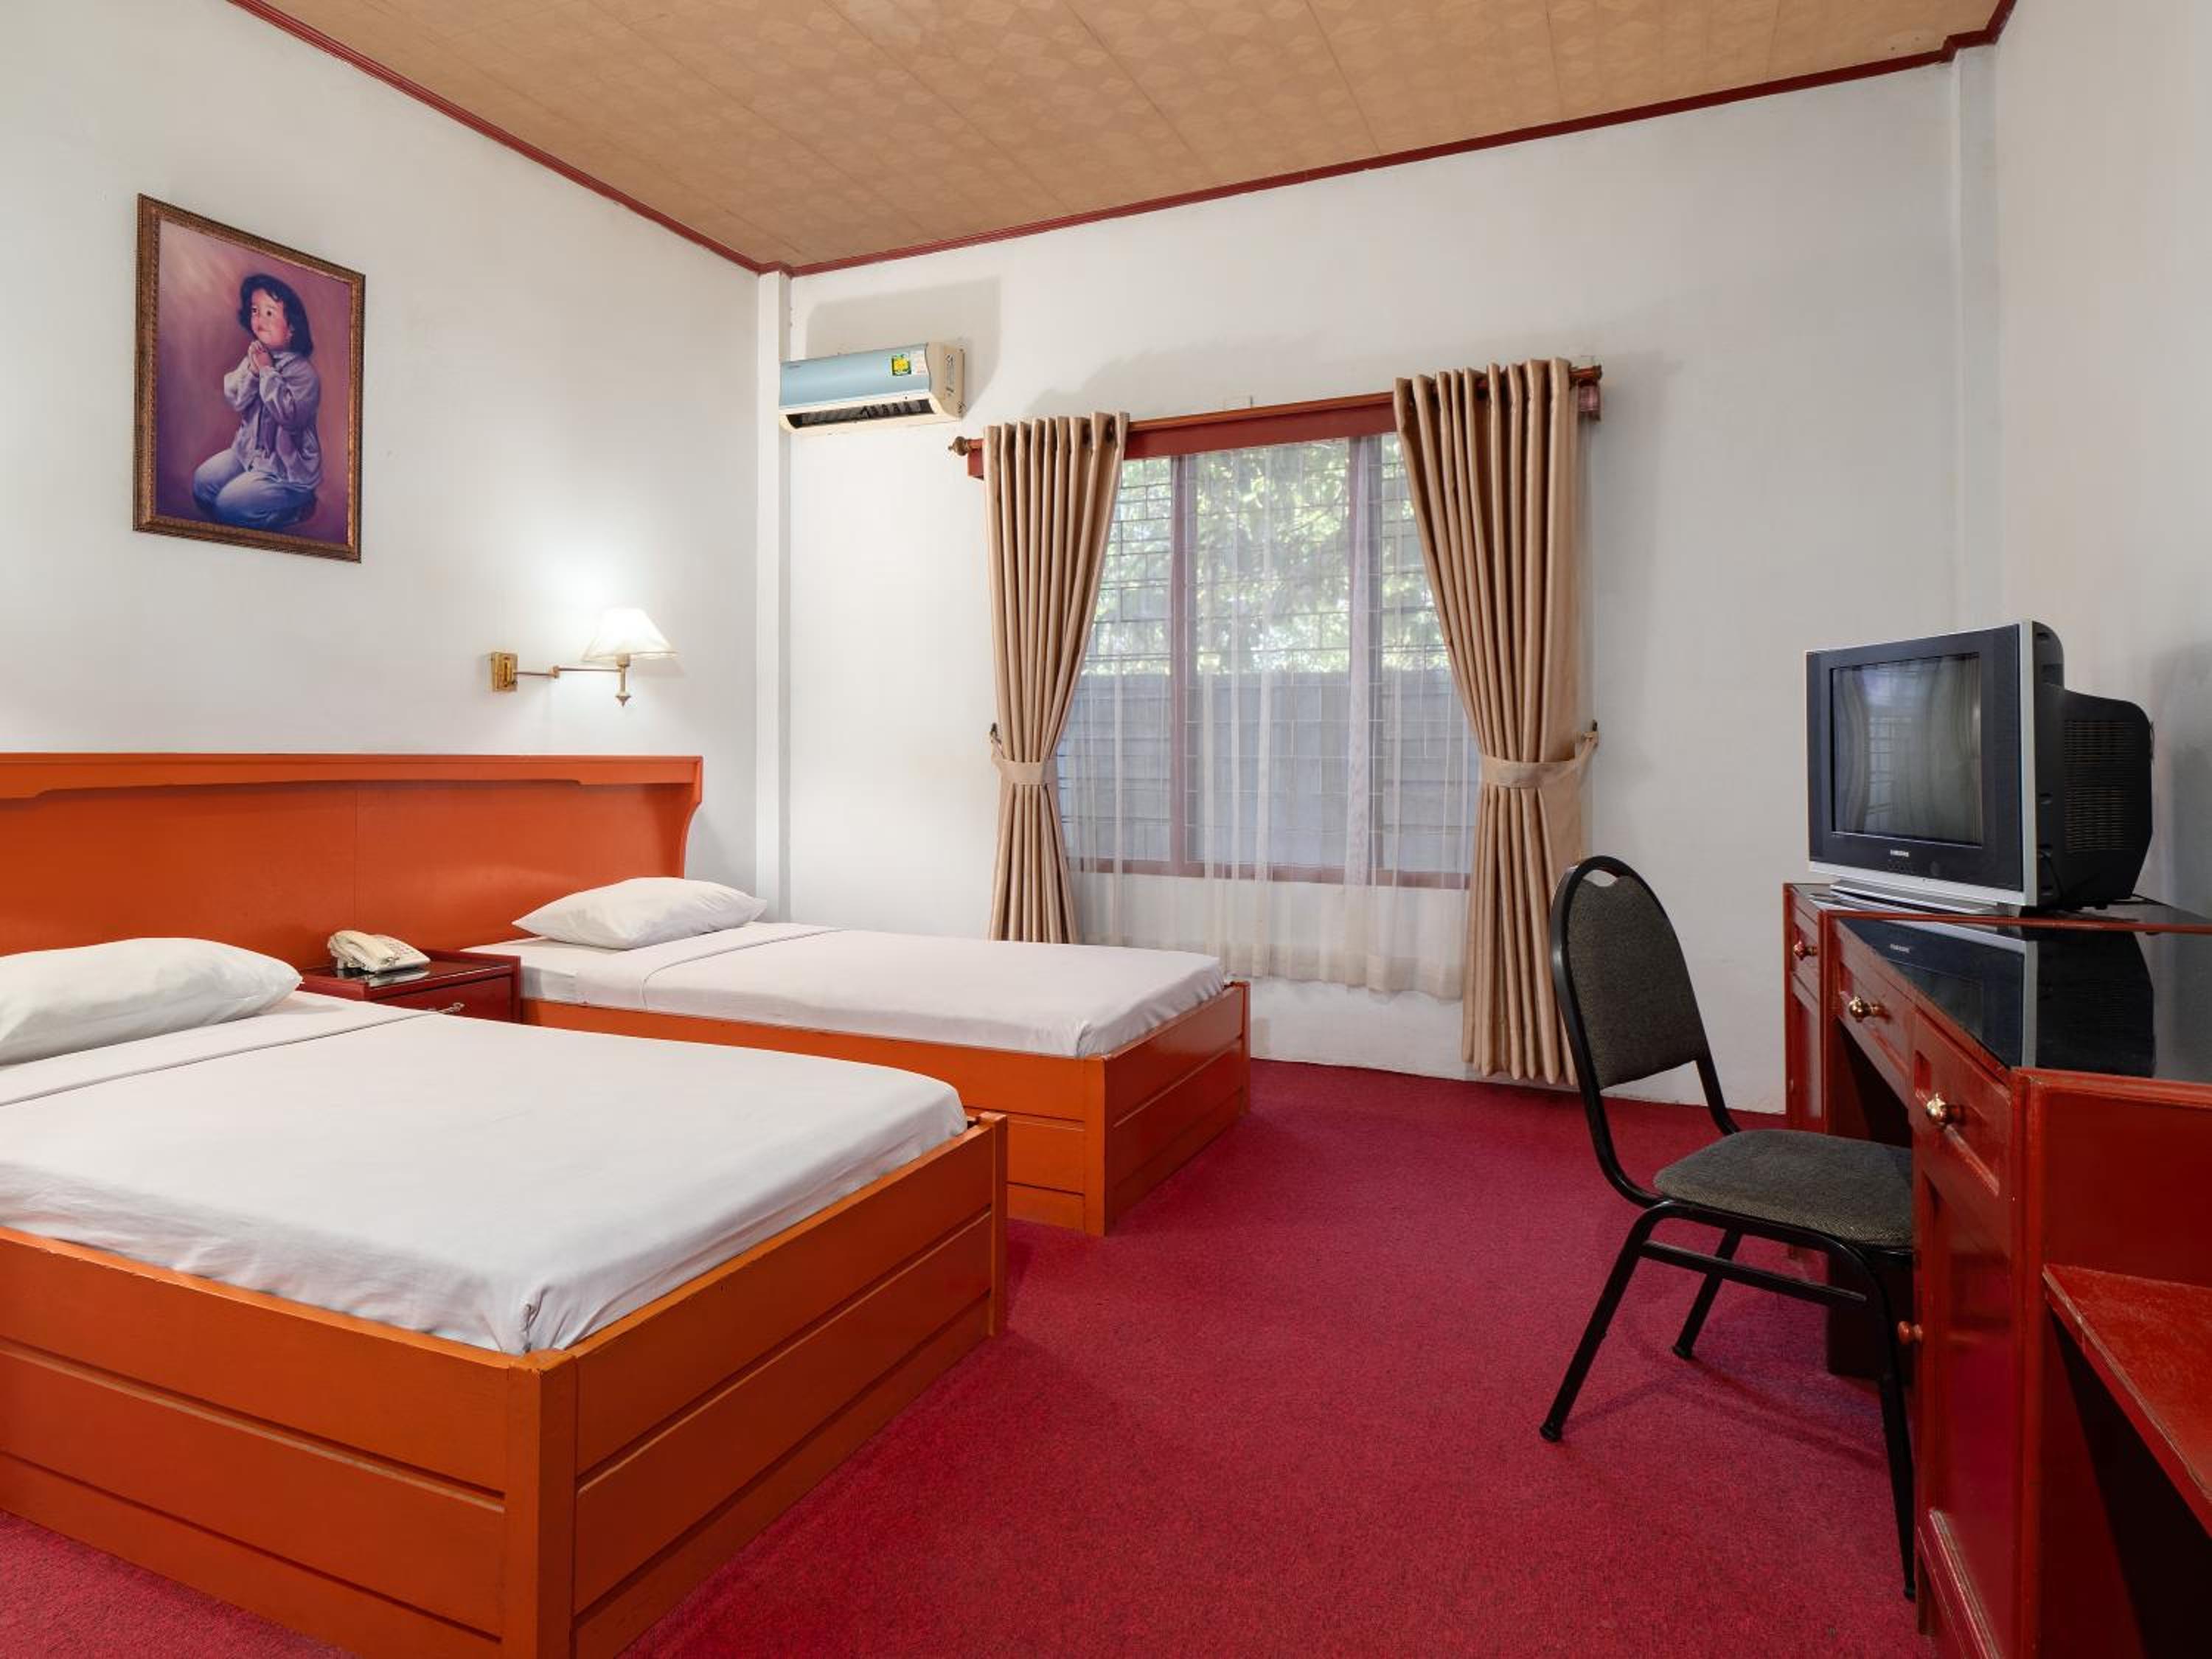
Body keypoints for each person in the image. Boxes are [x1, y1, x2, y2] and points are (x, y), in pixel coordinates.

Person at [192, 274, 321, 531]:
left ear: (292, 327)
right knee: (202, 485)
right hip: (248, 454)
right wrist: (253, 371)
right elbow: (236, 400)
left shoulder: (303, 373)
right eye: (255, 311)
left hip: (286, 470)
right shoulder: (256, 357)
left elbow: (290, 418)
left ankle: (296, 507)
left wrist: (267, 372)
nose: (260, 320)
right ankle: (248, 491)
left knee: (227, 507)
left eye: (270, 313)